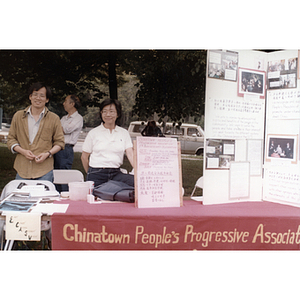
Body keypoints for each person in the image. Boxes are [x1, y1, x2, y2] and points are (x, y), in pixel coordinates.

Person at [7, 82, 65, 182]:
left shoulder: (54, 118)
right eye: (35, 94)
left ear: (47, 100)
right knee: (20, 197)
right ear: (30, 97)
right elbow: (11, 139)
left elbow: (60, 142)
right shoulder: (18, 116)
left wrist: (48, 154)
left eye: (42, 96)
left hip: (44, 170)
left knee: (44, 197)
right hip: (22, 169)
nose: (38, 98)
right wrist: (23, 151)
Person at [81, 98, 134, 188]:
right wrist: (91, 173)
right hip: (96, 172)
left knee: (135, 183)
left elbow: (130, 154)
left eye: (111, 111)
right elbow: (84, 157)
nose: (108, 114)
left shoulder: (123, 133)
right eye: (104, 111)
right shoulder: (94, 133)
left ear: (118, 113)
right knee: (97, 196)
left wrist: (138, 171)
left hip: (116, 173)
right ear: (101, 114)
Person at [54, 94, 83, 191]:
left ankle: (65, 195)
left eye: (66, 101)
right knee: (56, 174)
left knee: (65, 175)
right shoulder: (64, 118)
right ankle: (57, 195)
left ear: (72, 104)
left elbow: (65, 130)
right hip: (57, 147)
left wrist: (55, 129)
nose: (64, 103)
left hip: (66, 149)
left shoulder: (78, 118)